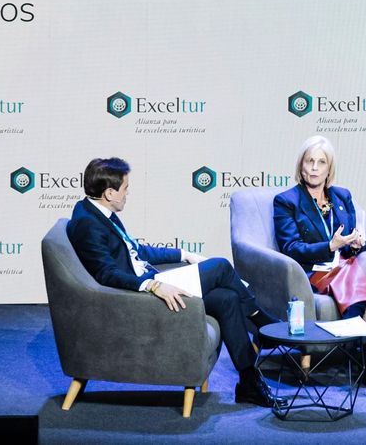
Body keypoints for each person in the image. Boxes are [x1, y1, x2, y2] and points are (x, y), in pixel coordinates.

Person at [66, 157, 275, 407]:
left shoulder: (99, 212)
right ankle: (261, 321)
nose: (128, 193)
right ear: (110, 192)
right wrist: (153, 286)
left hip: (150, 281)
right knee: (220, 266)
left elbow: (135, 251)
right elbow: (106, 274)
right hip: (141, 298)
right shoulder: (88, 225)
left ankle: (248, 382)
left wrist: (182, 254)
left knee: (228, 300)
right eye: (125, 188)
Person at [273, 135, 366, 391]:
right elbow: (291, 248)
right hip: (314, 271)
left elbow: (350, 243)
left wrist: (355, 243)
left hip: (346, 268)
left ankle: (354, 335)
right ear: (301, 166)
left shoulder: (342, 196)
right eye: (309, 161)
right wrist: (330, 247)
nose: (314, 168)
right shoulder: (286, 201)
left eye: (321, 162)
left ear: (329, 168)